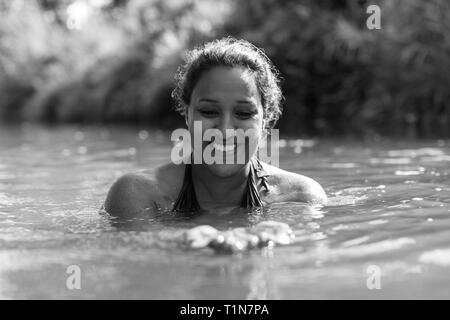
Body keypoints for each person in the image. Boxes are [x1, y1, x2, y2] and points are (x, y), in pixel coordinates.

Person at [104, 37, 327, 219]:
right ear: (186, 114)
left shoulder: (300, 196)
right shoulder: (138, 194)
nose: (225, 130)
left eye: (243, 113)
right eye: (209, 112)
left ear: (266, 121)